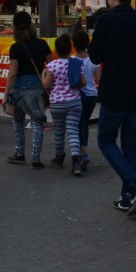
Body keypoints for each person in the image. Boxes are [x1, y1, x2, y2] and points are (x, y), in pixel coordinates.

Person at [88, 0, 136, 211]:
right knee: (131, 145)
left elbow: (95, 56)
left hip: (113, 93)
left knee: (106, 140)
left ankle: (135, 186)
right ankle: (128, 197)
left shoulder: (106, 22)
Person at [3, 11, 51, 168]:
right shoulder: (42, 44)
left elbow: (12, 73)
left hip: (18, 90)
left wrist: (5, 95)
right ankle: (36, 160)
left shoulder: (15, 48)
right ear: (31, 26)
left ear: (15, 29)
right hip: (37, 88)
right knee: (37, 122)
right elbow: (50, 69)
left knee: (17, 120)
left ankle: (20, 154)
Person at [42, 34, 85, 176]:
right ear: (70, 48)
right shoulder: (76, 63)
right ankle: (76, 163)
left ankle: (59, 158)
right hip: (74, 102)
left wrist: (43, 75)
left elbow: (47, 85)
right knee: (73, 131)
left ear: (56, 50)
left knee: (59, 131)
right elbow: (83, 83)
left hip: (57, 104)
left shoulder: (52, 65)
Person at [71, 30, 99, 172]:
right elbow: (98, 80)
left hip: (78, 95)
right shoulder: (94, 60)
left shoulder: (72, 60)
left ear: (74, 44)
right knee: (84, 123)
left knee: (78, 124)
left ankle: (82, 153)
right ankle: (83, 151)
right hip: (92, 95)